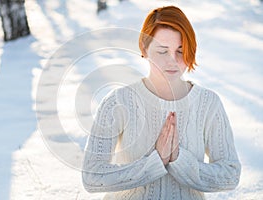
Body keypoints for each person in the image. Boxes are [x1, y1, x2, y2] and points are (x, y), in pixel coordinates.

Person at [82, 5, 241, 200]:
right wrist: (155, 163)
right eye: (162, 51)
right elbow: (92, 176)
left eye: (181, 51)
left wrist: (179, 160)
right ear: (144, 48)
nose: (172, 60)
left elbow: (230, 174)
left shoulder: (208, 104)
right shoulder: (117, 102)